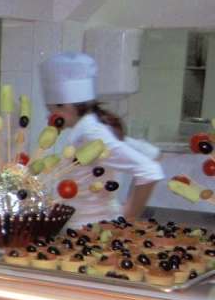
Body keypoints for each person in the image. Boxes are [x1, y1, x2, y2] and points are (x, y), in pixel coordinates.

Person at [40, 52, 164, 225]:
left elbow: (149, 170)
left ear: (66, 106)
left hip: (89, 228)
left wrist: (128, 217)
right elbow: (152, 153)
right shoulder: (94, 126)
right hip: (86, 224)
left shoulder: (90, 133)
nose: (50, 116)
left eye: (52, 109)